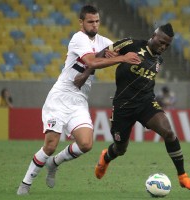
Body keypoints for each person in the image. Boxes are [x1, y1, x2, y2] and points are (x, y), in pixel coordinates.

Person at [16, 5, 140, 195]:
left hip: (79, 100)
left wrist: (139, 52)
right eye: (90, 21)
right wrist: (122, 59)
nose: (95, 25)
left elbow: (121, 49)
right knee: (50, 145)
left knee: (86, 144)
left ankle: (54, 163)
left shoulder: (103, 41)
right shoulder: (78, 38)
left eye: (97, 21)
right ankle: (25, 183)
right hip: (60, 97)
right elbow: (91, 61)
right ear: (81, 22)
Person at [75, 23, 190, 190]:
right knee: (120, 148)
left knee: (169, 133)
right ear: (154, 35)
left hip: (146, 103)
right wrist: (85, 75)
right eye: (161, 42)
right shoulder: (131, 44)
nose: (163, 47)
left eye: (167, 45)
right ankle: (106, 158)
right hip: (123, 106)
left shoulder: (158, 60)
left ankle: (182, 176)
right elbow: (100, 54)